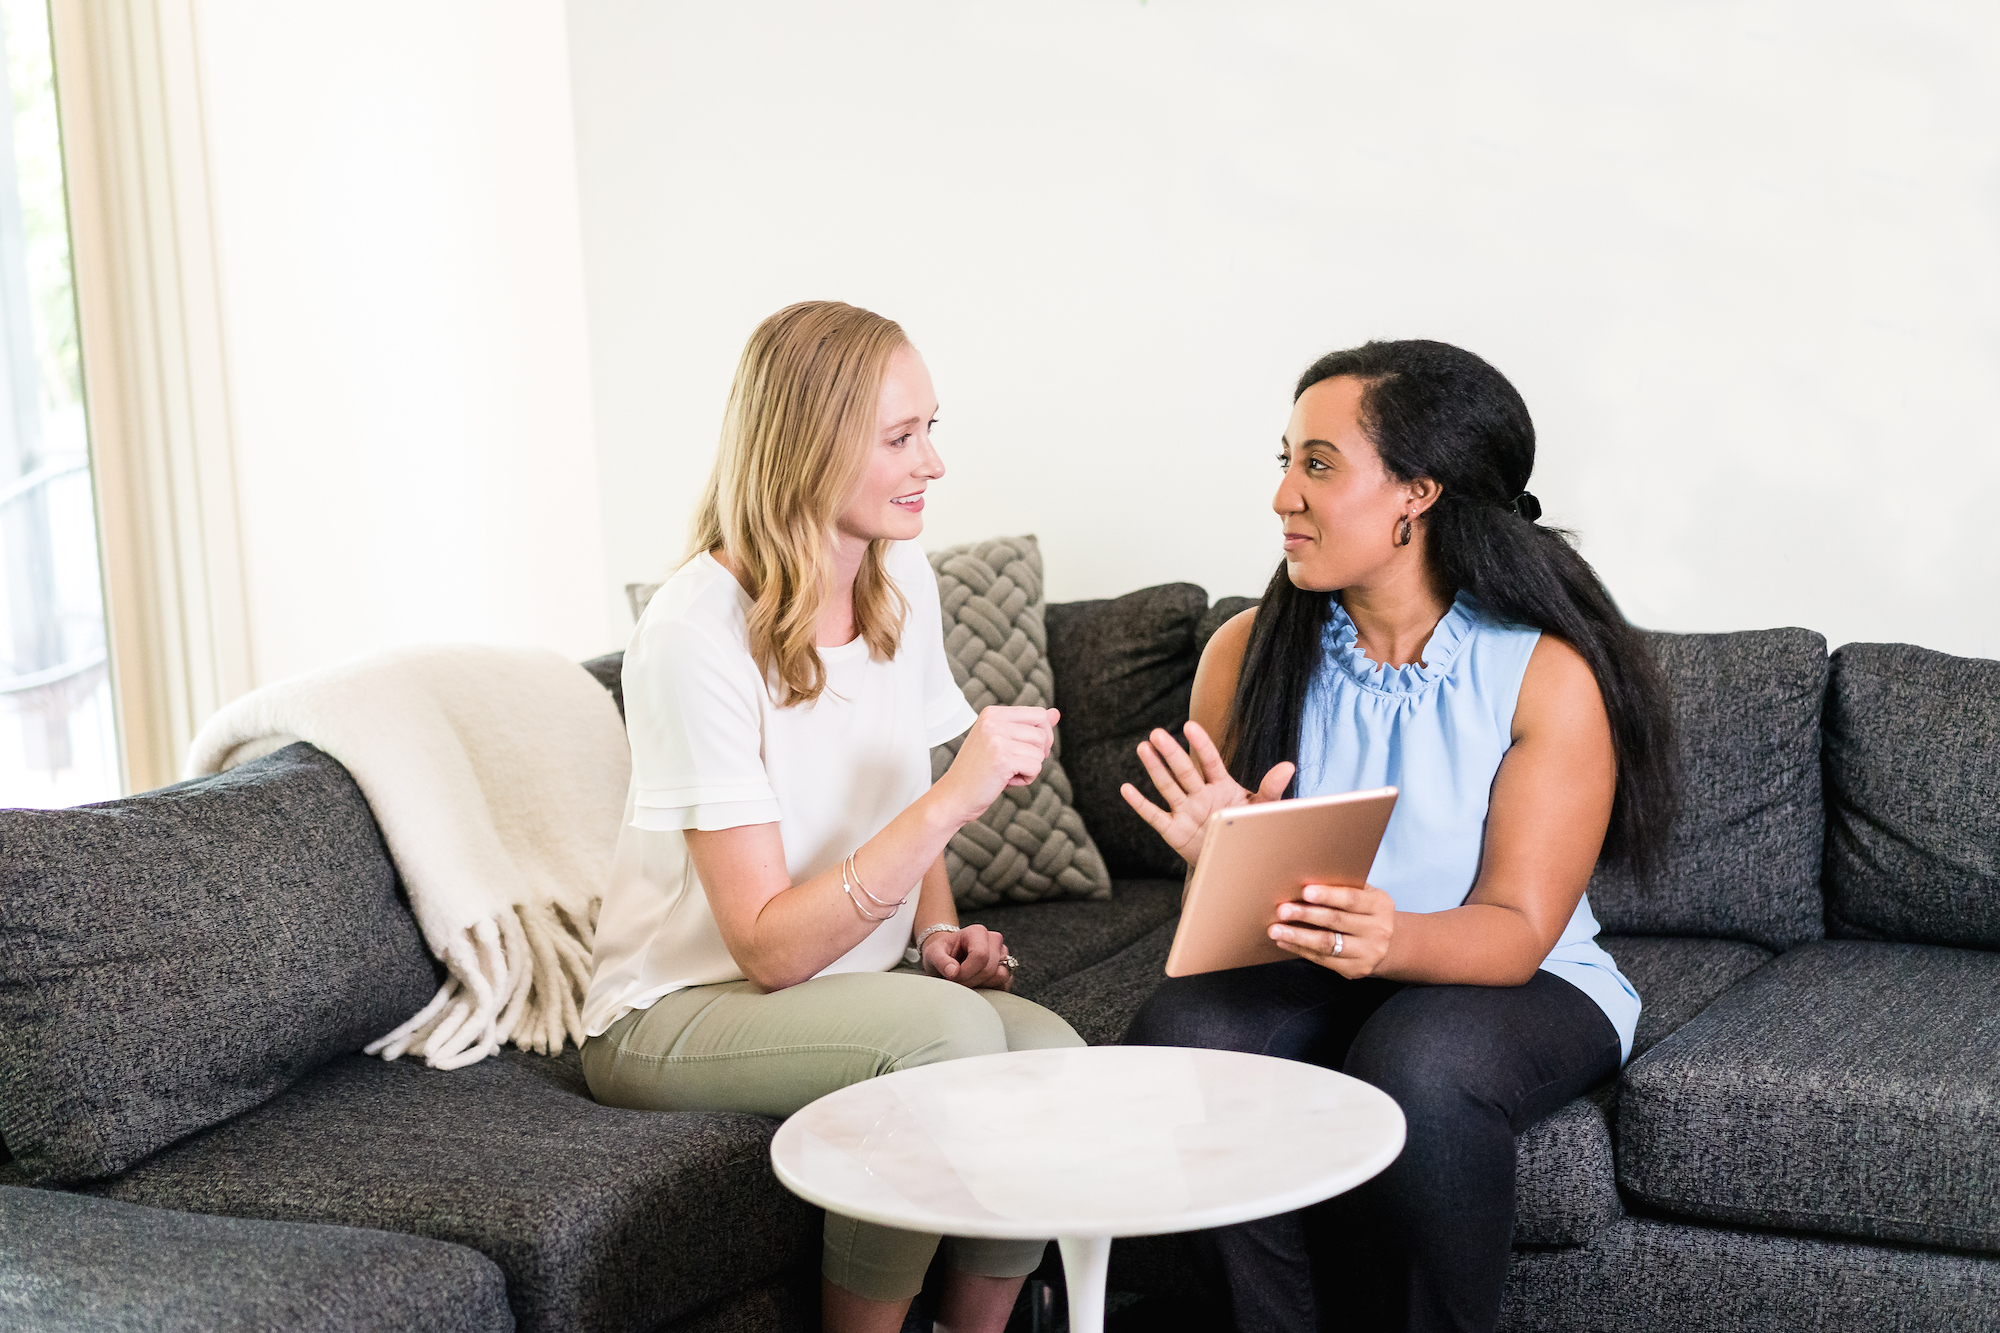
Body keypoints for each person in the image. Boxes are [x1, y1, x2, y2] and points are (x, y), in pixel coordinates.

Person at [1119, 340, 1678, 1333]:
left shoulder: (1542, 675)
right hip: (1317, 965)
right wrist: (1223, 863)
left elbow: (1516, 927)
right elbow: (1241, 931)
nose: (1283, 495)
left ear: (1417, 494)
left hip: (1518, 974)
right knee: (1182, 1035)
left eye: (1318, 464)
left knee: (1417, 1061)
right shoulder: (1245, 652)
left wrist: (1391, 939)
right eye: (1284, 460)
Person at [581, 300, 1083, 1333]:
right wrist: (954, 796)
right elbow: (766, 949)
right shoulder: (692, 634)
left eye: (929, 428)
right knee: (943, 1041)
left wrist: (937, 933)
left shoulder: (902, 580)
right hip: (674, 1009)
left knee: (1055, 1065)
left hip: (844, 979)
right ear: (808, 448)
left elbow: (894, 787)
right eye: (900, 438)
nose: (932, 462)